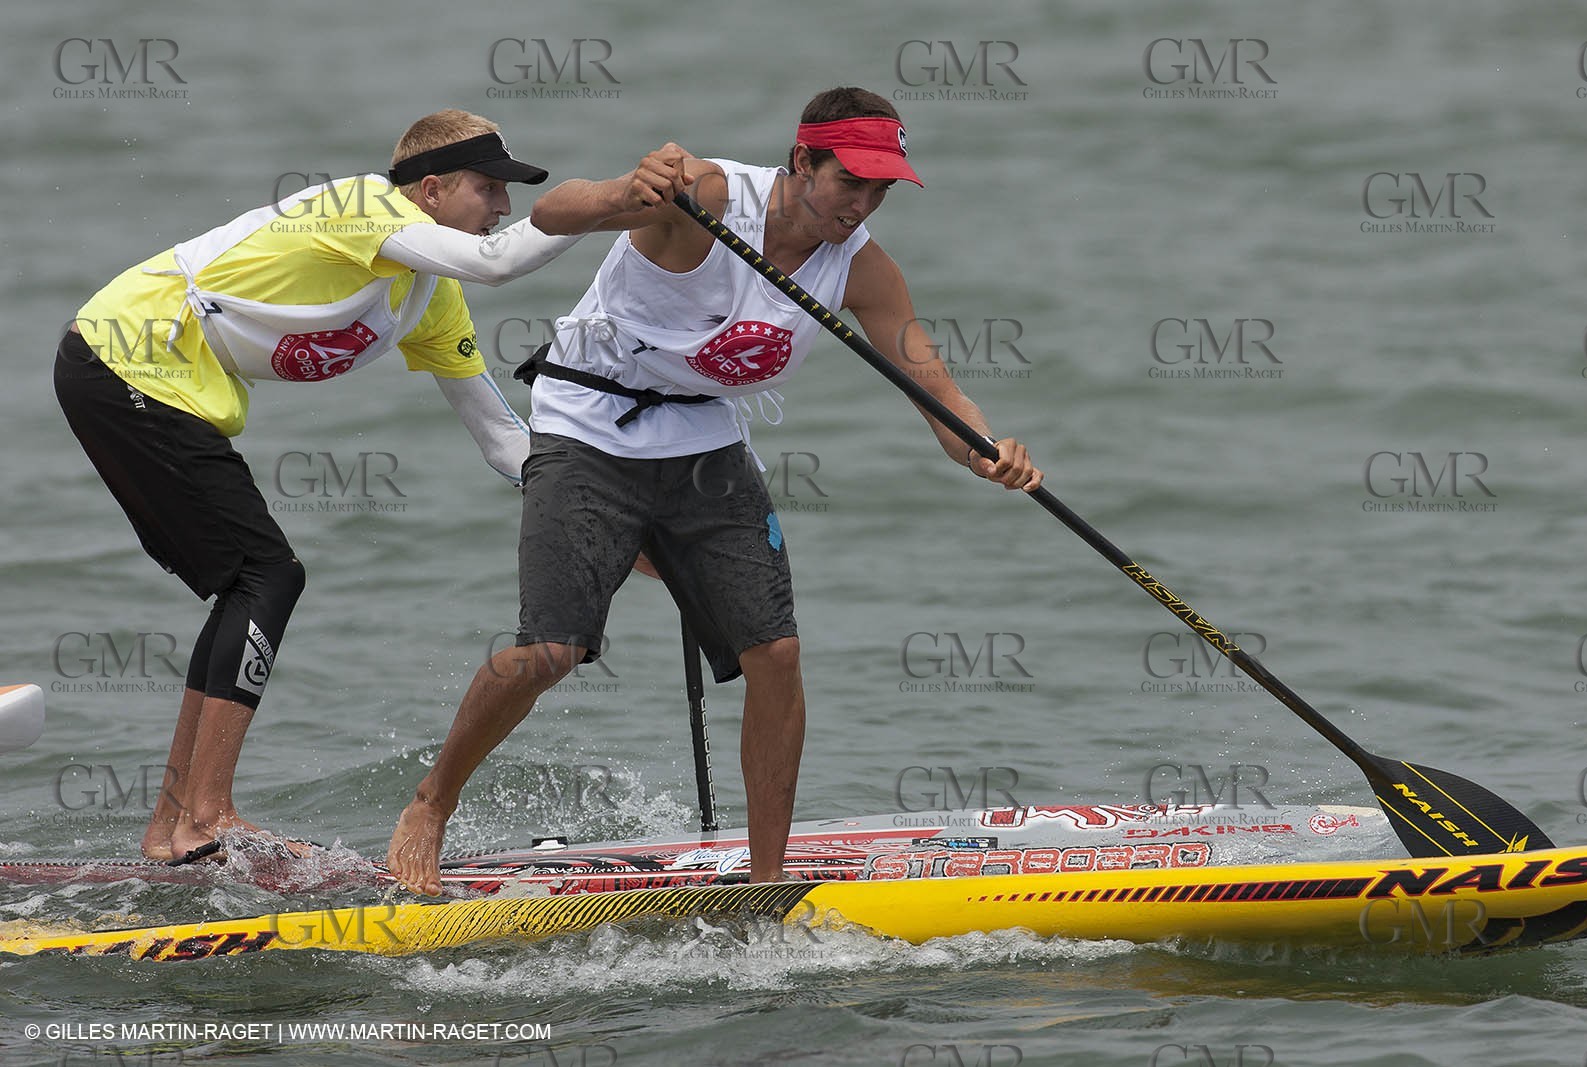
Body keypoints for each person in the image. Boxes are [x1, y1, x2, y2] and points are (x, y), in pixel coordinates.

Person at [387, 87, 1042, 894]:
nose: (863, 206)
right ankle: (431, 800)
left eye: (880, 191)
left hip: (701, 441)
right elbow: (557, 211)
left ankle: (768, 885)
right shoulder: (705, 196)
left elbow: (935, 389)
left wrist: (988, 452)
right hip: (587, 422)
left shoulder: (863, 269)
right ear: (803, 161)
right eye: (850, 183)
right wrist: (626, 193)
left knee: (777, 650)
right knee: (551, 649)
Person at [55, 109, 583, 864]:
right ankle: (207, 816)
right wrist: (602, 204)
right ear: (429, 190)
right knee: (269, 573)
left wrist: (607, 503)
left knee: (248, 579)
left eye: (508, 194)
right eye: (488, 188)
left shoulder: (430, 296)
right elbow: (500, 260)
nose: (501, 207)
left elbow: (503, 438)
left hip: (148, 383)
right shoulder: (358, 204)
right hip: (121, 358)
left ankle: (173, 829)